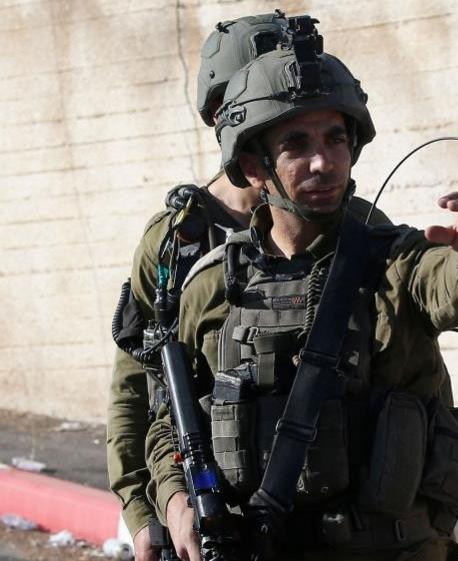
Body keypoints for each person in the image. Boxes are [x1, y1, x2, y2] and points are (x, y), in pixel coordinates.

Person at [145, 23, 458, 561]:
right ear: (254, 167)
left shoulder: (395, 258)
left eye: (335, 139)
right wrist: (176, 501)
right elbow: (169, 421)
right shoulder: (210, 286)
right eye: (296, 145)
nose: (323, 162)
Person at [106, 13, 391, 560]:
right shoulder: (177, 243)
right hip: (208, 516)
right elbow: (136, 386)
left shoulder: (353, 224)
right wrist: (146, 513)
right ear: (226, 116)